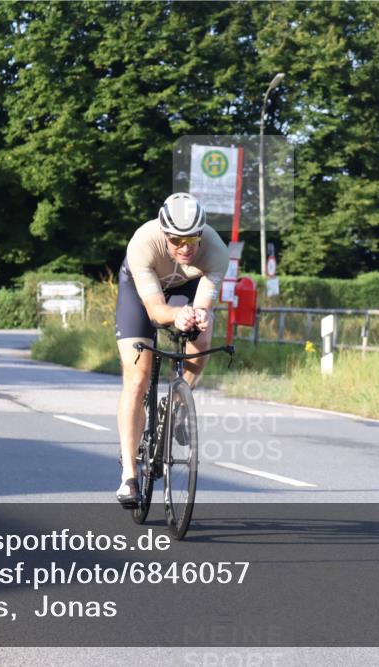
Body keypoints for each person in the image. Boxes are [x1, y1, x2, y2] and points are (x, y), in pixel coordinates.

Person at [114, 193, 229, 506]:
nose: (185, 247)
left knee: (202, 338)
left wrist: (197, 315)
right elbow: (154, 310)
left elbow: (204, 304)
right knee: (137, 378)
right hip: (141, 295)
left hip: (186, 288)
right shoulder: (143, 243)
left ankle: (177, 401)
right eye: (177, 240)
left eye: (192, 239)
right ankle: (129, 474)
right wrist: (176, 315)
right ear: (165, 234)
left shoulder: (217, 251)